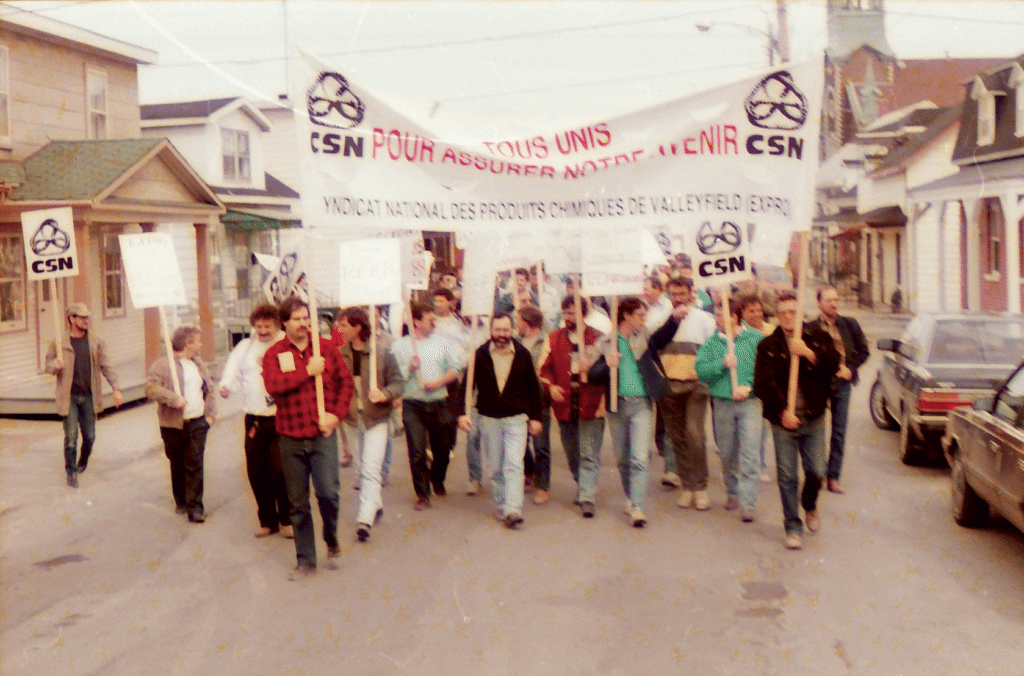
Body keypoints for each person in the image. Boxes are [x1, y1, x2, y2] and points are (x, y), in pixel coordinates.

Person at [262, 297, 354, 579]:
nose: (303, 324)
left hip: (321, 434)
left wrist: (335, 416)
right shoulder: (274, 353)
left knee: (328, 493)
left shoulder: (326, 348)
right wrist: (306, 372)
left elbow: (345, 385)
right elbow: (274, 387)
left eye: (306, 318)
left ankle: (332, 538)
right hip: (290, 436)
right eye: (297, 319)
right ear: (284, 323)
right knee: (298, 502)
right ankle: (306, 559)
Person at [753, 291, 840, 550]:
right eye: (783, 313)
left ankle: (810, 504)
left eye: (793, 311)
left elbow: (834, 364)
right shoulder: (768, 346)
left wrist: (810, 354)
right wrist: (782, 412)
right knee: (788, 475)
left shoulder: (817, 337)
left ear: (801, 314)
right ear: (777, 317)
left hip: (812, 418)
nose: (788, 316)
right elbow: (763, 384)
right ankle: (792, 526)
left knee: (816, 471)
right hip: (784, 422)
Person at [589, 297, 672, 527]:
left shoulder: (644, 336)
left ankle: (637, 506)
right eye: (639, 315)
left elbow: (664, 335)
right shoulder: (606, 342)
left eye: (645, 315)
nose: (643, 320)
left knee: (639, 457)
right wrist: (607, 363)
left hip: (641, 404)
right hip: (617, 406)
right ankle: (630, 495)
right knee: (623, 458)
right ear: (625, 315)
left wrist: (675, 318)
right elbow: (592, 376)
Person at [459, 313, 544, 529]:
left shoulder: (523, 354)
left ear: (512, 330)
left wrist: (536, 418)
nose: (502, 335)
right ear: (491, 331)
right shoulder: (480, 354)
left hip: (517, 418)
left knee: (514, 465)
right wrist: (462, 414)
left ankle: (513, 509)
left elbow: (534, 389)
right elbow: (466, 387)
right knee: (496, 467)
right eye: (498, 330)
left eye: (506, 330)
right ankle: (501, 504)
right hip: (489, 418)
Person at [218, 303, 292, 539]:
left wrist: (272, 366)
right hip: (255, 417)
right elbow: (231, 369)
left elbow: (292, 375)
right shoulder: (246, 346)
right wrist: (226, 385)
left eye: (267, 326)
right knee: (257, 470)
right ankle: (267, 520)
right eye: (258, 326)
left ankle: (287, 520)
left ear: (277, 325)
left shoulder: (284, 343)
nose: (262, 331)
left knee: (280, 470)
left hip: (281, 416)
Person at [336, 307, 404, 542]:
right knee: (359, 467)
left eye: (343, 325)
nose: (339, 329)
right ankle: (376, 503)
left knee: (370, 468)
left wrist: (384, 394)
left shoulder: (382, 353)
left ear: (357, 327)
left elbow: (399, 383)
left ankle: (364, 518)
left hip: (376, 419)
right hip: (352, 419)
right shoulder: (337, 354)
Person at [696, 299, 764, 521]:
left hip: (750, 402)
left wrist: (749, 387)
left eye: (722, 316)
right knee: (727, 452)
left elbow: (766, 370)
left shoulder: (755, 339)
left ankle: (748, 502)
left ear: (736, 318)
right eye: (716, 316)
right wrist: (721, 365)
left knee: (750, 452)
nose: (718, 320)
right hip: (723, 403)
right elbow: (702, 372)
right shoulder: (712, 343)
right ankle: (732, 491)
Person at [391, 301, 462, 509]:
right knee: (417, 451)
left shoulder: (441, 343)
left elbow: (454, 369)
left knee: (443, 448)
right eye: (430, 320)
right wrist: (409, 368)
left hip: (439, 402)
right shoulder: (400, 346)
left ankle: (437, 479)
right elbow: (394, 378)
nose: (434, 323)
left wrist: (439, 382)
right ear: (416, 322)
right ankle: (422, 494)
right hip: (413, 405)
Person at [539, 296, 605, 516]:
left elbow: (609, 372)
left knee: (588, 452)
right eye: (565, 313)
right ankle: (582, 482)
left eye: (572, 313)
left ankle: (587, 496)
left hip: (591, 401)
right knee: (572, 452)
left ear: (583, 314)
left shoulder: (599, 338)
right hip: (565, 402)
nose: (567, 318)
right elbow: (543, 369)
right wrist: (551, 387)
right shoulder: (554, 337)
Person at [45, 302, 122, 488]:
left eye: (88, 317)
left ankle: (84, 459)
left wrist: (116, 388)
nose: (87, 320)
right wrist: (54, 365)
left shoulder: (95, 342)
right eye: (82, 317)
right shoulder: (59, 342)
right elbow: (47, 365)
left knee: (90, 436)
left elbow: (106, 365)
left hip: (89, 396)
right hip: (69, 396)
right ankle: (71, 471)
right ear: (72, 319)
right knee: (70, 435)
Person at [145, 325, 216, 523]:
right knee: (177, 462)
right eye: (198, 341)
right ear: (188, 344)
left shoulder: (199, 364)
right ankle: (181, 500)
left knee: (195, 464)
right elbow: (150, 388)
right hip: (172, 424)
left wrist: (211, 416)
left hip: (197, 422)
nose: (201, 344)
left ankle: (195, 508)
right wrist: (172, 397)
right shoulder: (163, 365)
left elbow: (210, 389)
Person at [657, 277, 717, 511]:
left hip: (696, 386)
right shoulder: (660, 318)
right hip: (669, 385)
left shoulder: (704, 319)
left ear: (692, 294)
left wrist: (706, 379)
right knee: (677, 437)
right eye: (674, 293)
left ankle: (700, 487)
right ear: (668, 294)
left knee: (695, 434)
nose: (678, 298)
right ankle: (687, 485)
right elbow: (652, 347)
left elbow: (712, 348)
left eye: (682, 293)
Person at [807, 285, 869, 495]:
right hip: (818, 385)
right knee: (816, 429)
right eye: (828, 300)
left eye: (836, 300)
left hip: (842, 383)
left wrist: (851, 369)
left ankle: (833, 477)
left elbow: (864, 351)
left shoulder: (849, 324)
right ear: (819, 303)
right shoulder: (811, 327)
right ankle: (817, 471)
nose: (833, 304)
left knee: (839, 431)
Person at [515, 305, 551, 505]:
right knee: (519, 442)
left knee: (541, 445)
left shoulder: (546, 342)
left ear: (527, 323)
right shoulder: (515, 342)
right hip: (518, 400)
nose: (515, 324)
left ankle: (542, 486)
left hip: (539, 399)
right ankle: (530, 470)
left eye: (518, 320)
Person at [738, 293, 775, 483]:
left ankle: (760, 465)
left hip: (765, 386)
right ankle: (737, 466)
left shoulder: (770, 330)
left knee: (762, 429)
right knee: (741, 429)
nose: (756, 314)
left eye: (759, 310)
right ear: (742, 313)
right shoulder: (737, 332)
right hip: (744, 387)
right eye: (751, 311)